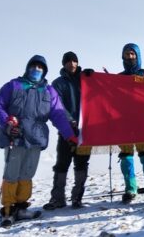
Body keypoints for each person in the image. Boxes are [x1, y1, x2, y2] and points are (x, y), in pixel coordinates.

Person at [0, 55, 77, 226]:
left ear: (44, 71)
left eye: (40, 67)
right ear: (28, 67)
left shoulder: (48, 91)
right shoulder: (13, 85)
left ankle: (21, 207)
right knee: (12, 174)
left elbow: (58, 114)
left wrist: (69, 135)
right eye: (34, 66)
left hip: (36, 138)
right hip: (15, 136)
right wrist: (7, 123)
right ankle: (8, 210)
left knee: (27, 174)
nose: (37, 70)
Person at [43, 51, 91, 210]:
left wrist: (94, 77)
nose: (72, 64)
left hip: (85, 131)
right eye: (69, 61)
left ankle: (77, 198)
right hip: (66, 131)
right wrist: (70, 121)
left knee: (82, 164)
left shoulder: (86, 80)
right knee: (62, 164)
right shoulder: (58, 84)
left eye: (74, 61)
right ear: (64, 64)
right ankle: (57, 199)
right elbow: (58, 105)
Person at [116, 43, 144, 204]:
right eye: (127, 54)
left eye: (132, 54)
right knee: (126, 155)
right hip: (123, 121)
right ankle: (130, 188)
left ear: (138, 56)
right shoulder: (117, 78)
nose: (130, 57)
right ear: (123, 57)